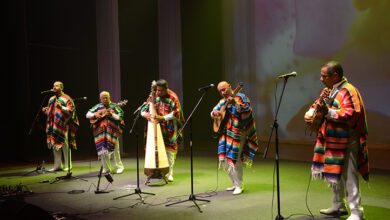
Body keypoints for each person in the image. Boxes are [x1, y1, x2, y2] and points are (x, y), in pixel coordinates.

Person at [304, 61, 369, 220]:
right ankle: (338, 204)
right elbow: (317, 105)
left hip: (346, 140)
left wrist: (329, 112)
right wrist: (310, 114)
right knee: (333, 172)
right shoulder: (328, 90)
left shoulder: (349, 90)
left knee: (349, 175)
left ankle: (356, 212)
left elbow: (353, 112)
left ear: (335, 76)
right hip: (331, 139)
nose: (321, 79)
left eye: (324, 76)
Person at [211, 81, 259, 195]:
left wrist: (235, 104)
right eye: (220, 91)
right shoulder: (222, 101)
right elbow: (212, 112)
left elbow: (247, 111)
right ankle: (234, 183)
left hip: (238, 132)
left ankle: (239, 185)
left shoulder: (241, 97)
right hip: (226, 133)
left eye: (224, 89)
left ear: (230, 87)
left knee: (235, 158)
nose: (223, 92)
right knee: (227, 159)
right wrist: (215, 113)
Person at [141, 79, 185, 182]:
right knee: (157, 149)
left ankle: (169, 173)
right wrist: (145, 114)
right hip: (156, 128)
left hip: (169, 127)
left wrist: (163, 118)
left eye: (161, 91)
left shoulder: (173, 97)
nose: (158, 93)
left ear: (166, 89)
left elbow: (176, 113)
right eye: (157, 90)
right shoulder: (153, 96)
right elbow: (144, 109)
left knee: (170, 151)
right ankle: (158, 170)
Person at [42, 81, 79, 171]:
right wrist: (46, 111)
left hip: (63, 124)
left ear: (61, 88)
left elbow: (71, 111)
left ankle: (68, 165)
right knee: (54, 144)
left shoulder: (66, 98)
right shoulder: (51, 99)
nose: (54, 87)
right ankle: (57, 165)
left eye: (57, 86)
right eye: (53, 86)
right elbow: (51, 113)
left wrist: (61, 107)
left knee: (64, 144)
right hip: (53, 125)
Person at [86, 91, 125, 174]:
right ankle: (106, 168)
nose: (105, 99)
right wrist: (94, 115)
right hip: (100, 132)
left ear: (109, 98)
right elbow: (87, 114)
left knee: (115, 149)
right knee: (102, 150)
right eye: (103, 98)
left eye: (107, 97)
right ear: (100, 99)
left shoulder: (115, 106)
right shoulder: (97, 107)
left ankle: (118, 167)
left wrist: (112, 115)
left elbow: (120, 117)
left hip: (112, 131)